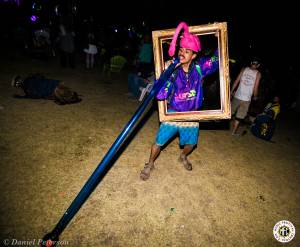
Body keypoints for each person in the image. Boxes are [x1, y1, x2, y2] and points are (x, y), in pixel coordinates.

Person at [140, 22, 219, 180]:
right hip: (174, 113)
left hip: (191, 115)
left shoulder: (199, 68)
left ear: (194, 55)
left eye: (187, 51)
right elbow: (160, 95)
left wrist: (219, 41)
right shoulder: (172, 69)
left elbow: (216, 60)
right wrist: (165, 74)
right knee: (159, 142)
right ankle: (150, 164)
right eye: (181, 49)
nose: (182, 53)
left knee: (191, 144)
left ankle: (183, 156)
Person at [230, 58, 262, 135]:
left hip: (238, 95)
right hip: (246, 99)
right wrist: (255, 96)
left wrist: (231, 91)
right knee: (240, 116)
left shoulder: (244, 69)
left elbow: (236, 81)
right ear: (258, 65)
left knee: (230, 112)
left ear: (251, 63)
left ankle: (223, 126)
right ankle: (233, 132)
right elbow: (256, 87)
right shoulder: (258, 74)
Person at [11, 74, 82, 105]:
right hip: (35, 84)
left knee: (29, 83)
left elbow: (34, 95)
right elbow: (35, 95)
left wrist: (21, 97)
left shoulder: (55, 87)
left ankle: (19, 83)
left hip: (33, 85)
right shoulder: (53, 94)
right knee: (30, 82)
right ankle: (20, 83)